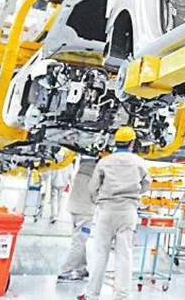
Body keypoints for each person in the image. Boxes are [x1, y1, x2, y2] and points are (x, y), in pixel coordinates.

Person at [79, 128, 150, 300]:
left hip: (106, 211)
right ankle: (121, 296)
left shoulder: (105, 162)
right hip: (128, 212)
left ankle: (91, 294)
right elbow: (146, 186)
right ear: (132, 143)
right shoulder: (139, 163)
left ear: (115, 142)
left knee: (100, 254)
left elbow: (92, 187)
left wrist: (101, 199)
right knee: (124, 255)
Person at [57, 157, 97, 282]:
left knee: (79, 239)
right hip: (85, 212)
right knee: (79, 242)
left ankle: (81, 268)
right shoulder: (93, 178)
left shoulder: (80, 174)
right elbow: (96, 196)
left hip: (74, 210)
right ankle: (65, 271)